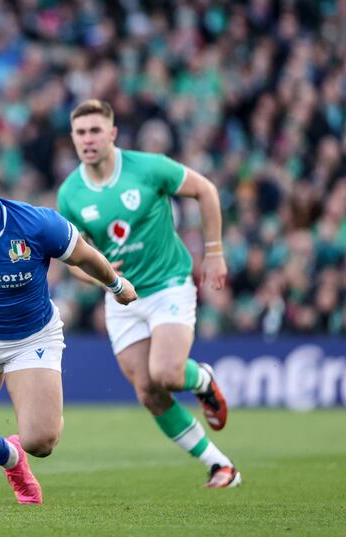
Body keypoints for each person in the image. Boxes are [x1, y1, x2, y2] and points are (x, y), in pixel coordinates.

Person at [57, 99, 241, 488]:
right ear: (73, 138)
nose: (88, 139)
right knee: (148, 391)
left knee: (167, 373)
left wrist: (214, 253)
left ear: (112, 134)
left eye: (95, 131)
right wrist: (100, 278)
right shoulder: (71, 193)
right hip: (123, 296)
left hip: (168, 283)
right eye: (81, 132)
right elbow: (70, 256)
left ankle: (202, 380)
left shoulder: (148, 167)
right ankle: (220, 465)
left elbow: (205, 190)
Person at [0, 147, 137, 504]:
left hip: (30, 335)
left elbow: (84, 256)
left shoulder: (35, 224)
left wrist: (115, 284)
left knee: (41, 441)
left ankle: (26, 448)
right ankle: (12, 459)